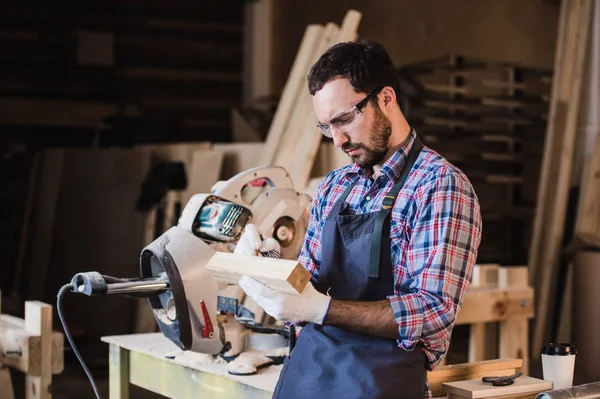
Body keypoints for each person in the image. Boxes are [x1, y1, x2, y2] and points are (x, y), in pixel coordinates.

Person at [235, 40, 483, 399]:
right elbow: (307, 286)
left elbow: (433, 310)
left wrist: (322, 308)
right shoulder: (335, 187)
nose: (336, 140)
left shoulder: (440, 185)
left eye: (344, 119)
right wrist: (271, 265)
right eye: (325, 127)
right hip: (310, 379)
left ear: (385, 99)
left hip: (382, 385)